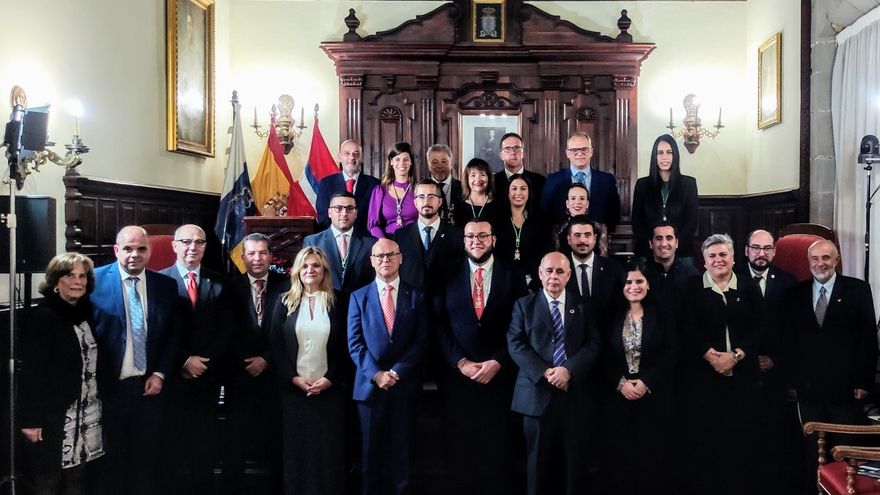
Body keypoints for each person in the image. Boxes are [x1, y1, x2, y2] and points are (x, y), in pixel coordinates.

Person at [434, 220, 528, 494]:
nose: (476, 241)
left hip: (500, 376)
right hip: (458, 377)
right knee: (460, 446)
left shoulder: (513, 274)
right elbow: (438, 323)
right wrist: (460, 362)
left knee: (498, 446)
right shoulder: (446, 273)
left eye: (483, 235)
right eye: (471, 236)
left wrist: (498, 360)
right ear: (463, 241)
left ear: (494, 240)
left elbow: (519, 325)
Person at [90, 226, 181, 495]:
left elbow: (172, 336)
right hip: (108, 389)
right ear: (117, 250)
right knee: (110, 465)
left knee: (145, 463)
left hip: (149, 389)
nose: (134, 254)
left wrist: (161, 373)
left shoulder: (165, 285)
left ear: (150, 251)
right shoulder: (93, 281)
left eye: (141, 248)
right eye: (128, 248)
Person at [785, 240, 877, 489]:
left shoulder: (857, 290)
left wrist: (864, 380)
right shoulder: (795, 294)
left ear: (836, 260)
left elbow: (868, 338)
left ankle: (844, 489)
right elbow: (790, 341)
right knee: (811, 449)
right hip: (808, 387)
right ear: (809, 262)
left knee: (845, 447)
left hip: (846, 387)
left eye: (826, 258)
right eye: (814, 258)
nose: (820, 263)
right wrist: (792, 381)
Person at [508, 252, 601, 495]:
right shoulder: (523, 305)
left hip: (574, 395)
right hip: (536, 395)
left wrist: (568, 370)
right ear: (540, 274)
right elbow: (515, 344)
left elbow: (593, 344)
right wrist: (546, 372)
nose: (553, 276)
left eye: (560, 271)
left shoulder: (583, 306)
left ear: (569, 275)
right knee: (537, 463)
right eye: (548, 271)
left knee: (573, 463)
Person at [679, 234, 764, 495]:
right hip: (703, 379)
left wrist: (736, 356)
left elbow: (762, 328)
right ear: (703, 262)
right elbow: (685, 328)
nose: (718, 260)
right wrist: (709, 356)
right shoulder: (691, 288)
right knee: (705, 441)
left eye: (723, 254)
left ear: (734, 258)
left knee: (740, 441)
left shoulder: (749, 287)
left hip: (742, 378)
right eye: (712, 256)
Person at [348, 238, 428, 495]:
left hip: (403, 387)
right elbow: (355, 343)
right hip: (369, 391)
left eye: (391, 255)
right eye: (379, 256)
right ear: (371, 261)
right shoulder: (358, 297)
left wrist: (396, 372)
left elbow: (421, 340)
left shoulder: (417, 295)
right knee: (370, 457)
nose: (385, 260)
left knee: (401, 455)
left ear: (401, 258)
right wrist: (376, 374)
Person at [19, 253, 103, 495]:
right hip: (55, 415)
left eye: (82, 276)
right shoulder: (44, 316)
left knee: (76, 478)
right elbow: (32, 374)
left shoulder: (85, 312)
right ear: (56, 281)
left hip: (87, 410)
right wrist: (31, 420)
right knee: (48, 479)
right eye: (70, 275)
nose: (78, 281)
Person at [269, 247, 350, 495]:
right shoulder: (284, 301)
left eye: (315, 265)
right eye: (304, 266)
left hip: (329, 392)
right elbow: (275, 346)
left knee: (328, 454)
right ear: (296, 271)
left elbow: (346, 347)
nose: (310, 270)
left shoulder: (340, 300)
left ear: (324, 269)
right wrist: (293, 378)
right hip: (294, 392)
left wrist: (330, 379)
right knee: (297, 453)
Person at [158, 224, 227, 494]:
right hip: (172, 378)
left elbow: (226, 330)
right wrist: (183, 360)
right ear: (174, 245)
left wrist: (204, 363)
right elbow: (157, 331)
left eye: (199, 242)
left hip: (208, 378)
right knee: (172, 447)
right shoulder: (158, 282)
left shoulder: (219, 282)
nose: (192, 247)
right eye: (186, 241)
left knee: (205, 447)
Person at [221, 232, 290, 494]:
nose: (257, 258)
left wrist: (267, 359)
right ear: (243, 257)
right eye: (251, 253)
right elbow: (226, 333)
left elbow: (291, 329)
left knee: (276, 441)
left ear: (271, 256)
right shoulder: (229, 288)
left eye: (263, 252)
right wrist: (246, 362)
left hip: (276, 376)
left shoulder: (287, 285)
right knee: (235, 441)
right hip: (240, 377)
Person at [599, 260, 676, 494]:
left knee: (651, 457)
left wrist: (646, 382)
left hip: (653, 396)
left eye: (639, 281)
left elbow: (671, 352)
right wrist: (620, 383)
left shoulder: (662, 314)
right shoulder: (609, 315)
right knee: (619, 458)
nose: (634, 286)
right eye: (628, 282)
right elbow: (601, 355)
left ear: (648, 285)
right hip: (617, 397)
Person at [735, 229, 797, 493]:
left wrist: (776, 360)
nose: (762, 254)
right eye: (756, 248)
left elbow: (794, 330)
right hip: (741, 371)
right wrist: (746, 358)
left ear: (774, 251)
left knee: (773, 437)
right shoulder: (732, 277)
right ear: (746, 250)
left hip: (775, 372)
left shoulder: (788, 282)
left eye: (767, 248)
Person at [631, 134, 699, 262]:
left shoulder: (689, 184)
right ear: (654, 157)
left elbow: (691, 223)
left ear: (675, 156)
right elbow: (637, 223)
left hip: (681, 252)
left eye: (669, 152)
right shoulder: (642, 185)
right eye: (660, 153)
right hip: (648, 252)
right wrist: (653, 248)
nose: (664, 157)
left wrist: (672, 249)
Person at [394, 179, 463, 298]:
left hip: (446, 305)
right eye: (421, 197)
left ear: (440, 201)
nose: (426, 201)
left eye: (431, 196)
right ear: (415, 203)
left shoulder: (456, 235)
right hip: (411, 306)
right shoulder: (400, 236)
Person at [542, 131, 621, 232]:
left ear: (591, 151)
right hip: (562, 241)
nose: (579, 153)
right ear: (567, 153)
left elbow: (614, 214)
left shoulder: (607, 180)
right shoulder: (553, 180)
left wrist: (601, 234)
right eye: (574, 150)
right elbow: (546, 213)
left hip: (597, 241)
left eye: (584, 149)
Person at [304, 192, 377, 296]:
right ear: (329, 212)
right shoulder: (312, 242)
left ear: (356, 213)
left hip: (360, 303)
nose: (344, 213)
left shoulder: (371, 243)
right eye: (338, 208)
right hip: (325, 301)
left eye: (350, 208)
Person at [494, 174, 551, 289]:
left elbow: (545, 251)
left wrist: (534, 279)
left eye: (523, 188)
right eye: (514, 189)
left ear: (529, 193)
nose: (518, 193)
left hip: (533, 281)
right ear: (508, 193)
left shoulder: (541, 218)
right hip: (503, 280)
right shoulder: (497, 219)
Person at [316, 139, 380, 235]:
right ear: (339, 157)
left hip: (366, 241)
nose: (351, 157)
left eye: (356, 154)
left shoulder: (375, 185)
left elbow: (377, 217)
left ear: (361, 158)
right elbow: (323, 217)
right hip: (335, 240)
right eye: (347, 153)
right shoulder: (326, 183)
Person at [564, 215, 622, 317]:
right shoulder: (560, 269)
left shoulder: (613, 268)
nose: (583, 240)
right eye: (577, 235)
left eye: (587, 235)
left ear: (594, 239)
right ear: (569, 240)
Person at [367, 142, 418, 238]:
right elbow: (373, 225)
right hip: (387, 241)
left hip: (414, 241)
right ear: (391, 162)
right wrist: (384, 241)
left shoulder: (419, 190)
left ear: (411, 162)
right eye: (397, 159)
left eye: (406, 159)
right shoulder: (380, 191)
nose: (401, 163)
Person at [643, 222, 699, 306]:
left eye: (669, 238)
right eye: (659, 238)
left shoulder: (691, 274)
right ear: (651, 244)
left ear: (676, 243)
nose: (664, 244)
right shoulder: (641, 273)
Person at [552, 182, 609, 256]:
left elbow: (603, 259)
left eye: (582, 198)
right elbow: (556, 257)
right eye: (573, 198)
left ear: (587, 203)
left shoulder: (600, 228)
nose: (577, 202)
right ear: (567, 204)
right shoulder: (558, 229)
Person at [493, 132, 545, 209]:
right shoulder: (492, 182)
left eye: (517, 148)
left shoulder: (539, 181)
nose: (513, 152)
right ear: (501, 155)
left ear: (523, 153)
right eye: (508, 149)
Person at [453, 158, 502, 227]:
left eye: (482, 175)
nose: (478, 179)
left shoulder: (498, 204)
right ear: (467, 179)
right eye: (473, 175)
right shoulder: (458, 204)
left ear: (489, 178)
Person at [426, 144, 462, 225]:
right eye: (435, 162)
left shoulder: (463, 188)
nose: (439, 166)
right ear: (429, 165)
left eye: (444, 161)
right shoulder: (421, 189)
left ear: (451, 163)